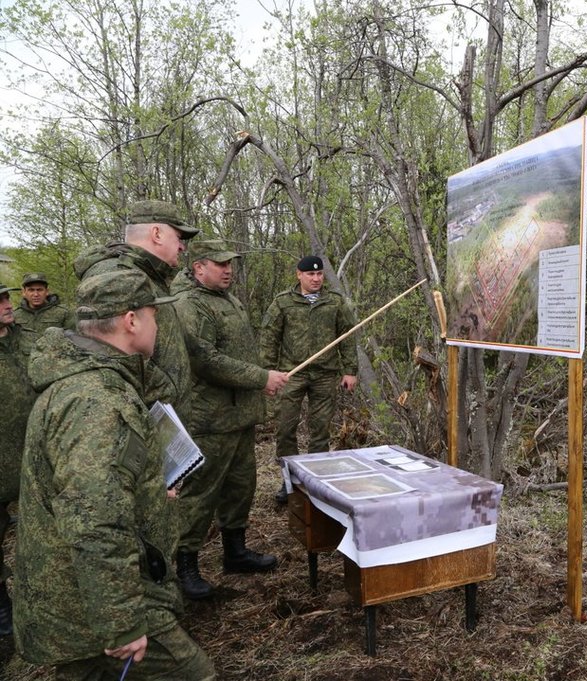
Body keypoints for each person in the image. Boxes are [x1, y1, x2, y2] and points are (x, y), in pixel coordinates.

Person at [14, 269, 215, 680]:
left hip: (83, 595)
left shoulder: (90, 383)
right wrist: (122, 624)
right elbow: (94, 524)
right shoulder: (95, 401)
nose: (157, 324)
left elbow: (93, 487)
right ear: (130, 320)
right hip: (89, 606)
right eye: (153, 315)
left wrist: (147, 493)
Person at [173, 240, 289, 599]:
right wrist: (260, 377)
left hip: (239, 416)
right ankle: (186, 567)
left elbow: (236, 354)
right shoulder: (189, 305)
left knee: (241, 487)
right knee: (201, 493)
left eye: (230, 264)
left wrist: (259, 383)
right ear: (198, 268)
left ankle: (235, 553)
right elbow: (205, 361)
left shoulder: (229, 300)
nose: (228, 270)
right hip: (209, 419)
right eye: (219, 264)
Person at [74, 199, 199, 423]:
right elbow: (102, 351)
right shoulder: (116, 274)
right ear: (157, 234)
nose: (182, 247)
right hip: (137, 422)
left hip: (162, 422)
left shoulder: (150, 276)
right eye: (178, 238)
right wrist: (166, 392)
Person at [260, 255, 358, 503]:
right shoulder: (283, 303)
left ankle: (316, 484)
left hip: (325, 374)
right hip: (291, 373)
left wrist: (350, 370)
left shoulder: (334, 302)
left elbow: (347, 336)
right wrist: (267, 373)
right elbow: (269, 337)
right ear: (299, 275)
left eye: (319, 274)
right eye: (310, 274)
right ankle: (289, 482)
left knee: (320, 431)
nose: (316, 279)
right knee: (285, 429)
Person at [0, 282, 36, 637]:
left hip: (33, 455)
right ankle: (2, 609)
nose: (7, 304)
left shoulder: (28, 339)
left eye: (7, 297)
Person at [13, 272, 75, 354]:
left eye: (40, 290)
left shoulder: (63, 313)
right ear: (24, 292)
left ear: (47, 291)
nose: (36, 294)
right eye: (31, 290)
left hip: (53, 362)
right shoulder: (14, 316)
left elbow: (75, 341)